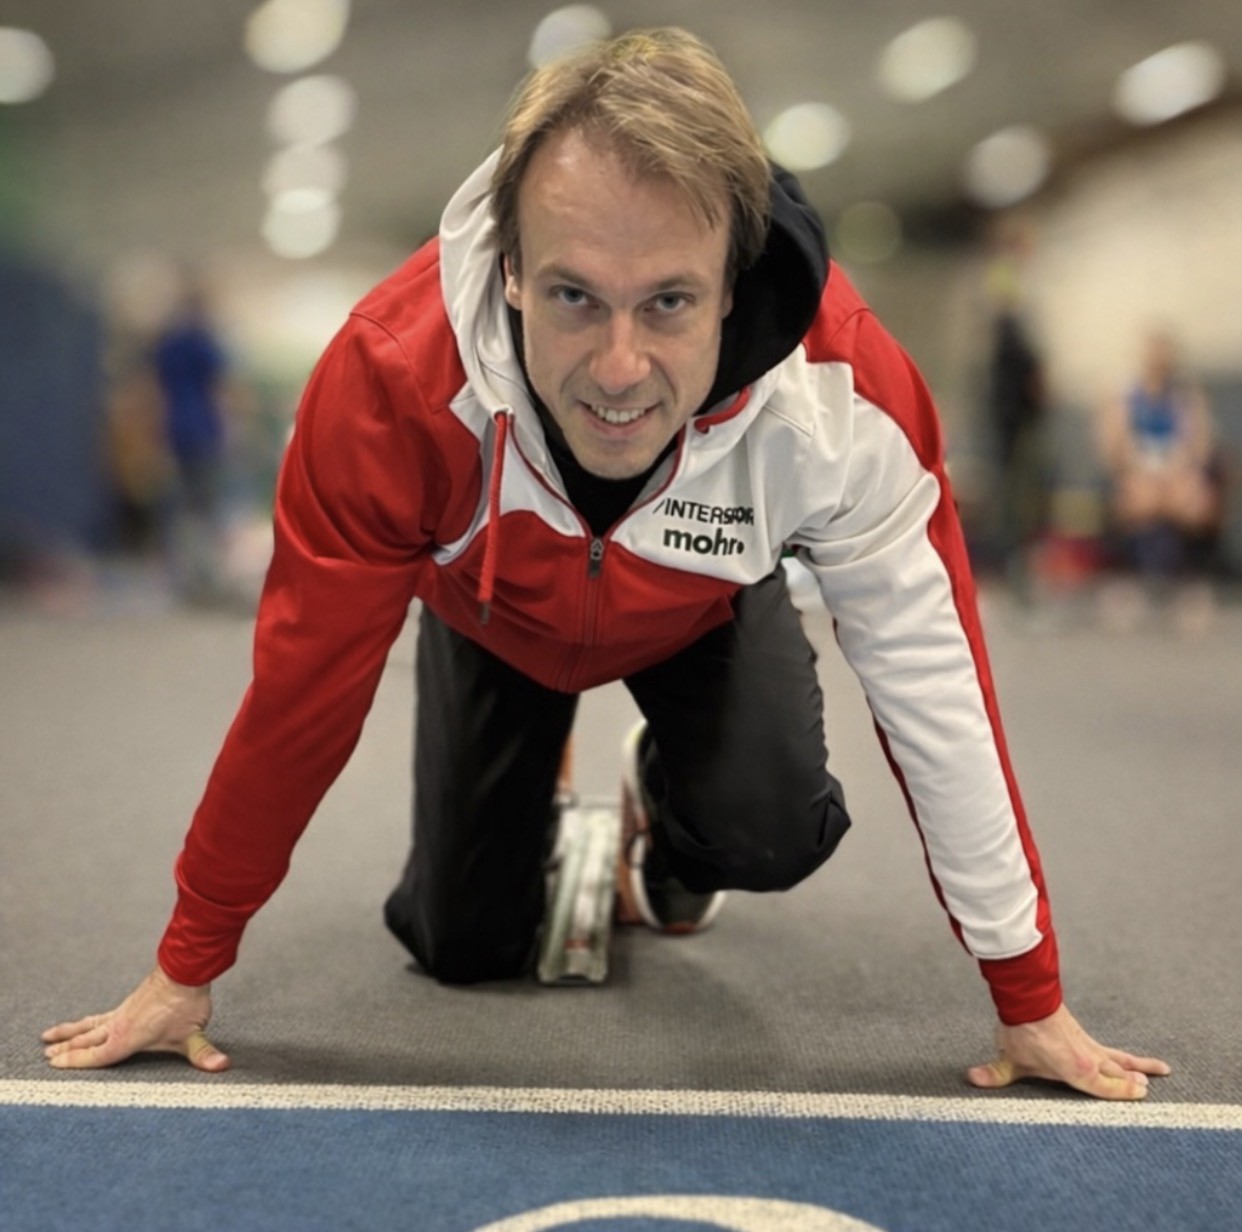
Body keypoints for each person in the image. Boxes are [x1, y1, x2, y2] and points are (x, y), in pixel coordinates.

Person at [43, 28, 1168, 1100]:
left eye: (669, 302)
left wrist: (1027, 993)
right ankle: (524, 788)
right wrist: (189, 962)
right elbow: (301, 693)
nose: (620, 370)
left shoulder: (844, 401)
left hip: (702, 610)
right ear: (511, 271)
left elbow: (936, 682)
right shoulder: (388, 386)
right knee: (461, 943)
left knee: (767, 830)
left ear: (734, 283)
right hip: (488, 613)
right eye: (574, 296)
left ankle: (652, 804)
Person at [1097, 328, 1221, 626]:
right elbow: (1113, 447)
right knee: (1139, 499)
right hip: (1140, 476)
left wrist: (1177, 475)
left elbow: (1200, 445)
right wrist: (1142, 474)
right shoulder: (1126, 396)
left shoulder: (1185, 396)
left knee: (1194, 502)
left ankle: (1188, 580)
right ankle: (1135, 578)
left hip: (1176, 475)